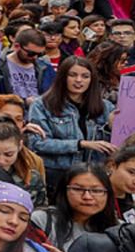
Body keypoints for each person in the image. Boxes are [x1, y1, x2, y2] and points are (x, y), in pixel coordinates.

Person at [28, 56, 113, 191]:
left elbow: (112, 147)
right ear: (62, 77)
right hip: (57, 174)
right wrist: (80, 144)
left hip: (94, 175)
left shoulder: (106, 107)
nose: (79, 80)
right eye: (72, 75)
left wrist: (110, 127)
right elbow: (38, 144)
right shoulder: (42, 105)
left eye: (85, 76)